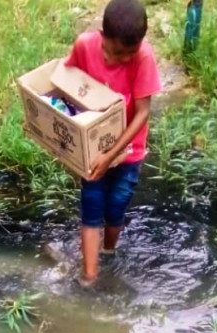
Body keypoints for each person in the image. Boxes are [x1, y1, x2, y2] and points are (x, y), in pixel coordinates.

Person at [65, 0, 162, 286]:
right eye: (116, 52)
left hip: (129, 153)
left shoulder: (143, 57)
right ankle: (89, 277)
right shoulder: (84, 45)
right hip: (93, 149)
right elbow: (64, 82)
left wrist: (110, 156)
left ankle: (109, 252)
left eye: (129, 54)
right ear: (101, 35)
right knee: (92, 204)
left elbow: (143, 112)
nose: (122, 60)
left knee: (116, 207)